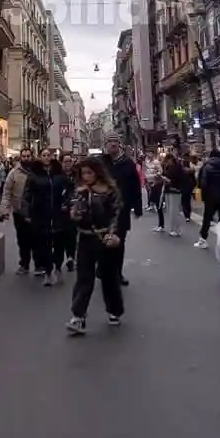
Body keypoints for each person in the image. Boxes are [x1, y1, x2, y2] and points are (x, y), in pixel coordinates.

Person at [67, 156, 124, 334]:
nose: (86, 176)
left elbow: (117, 214)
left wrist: (113, 234)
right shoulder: (81, 192)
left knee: (109, 277)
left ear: (97, 172)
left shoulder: (110, 191)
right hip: (85, 238)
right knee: (84, 278)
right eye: (83, 173)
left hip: (104, 237)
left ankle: (114, 310)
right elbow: (75, 213)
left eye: (89, 173)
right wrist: (74, 213)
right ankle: (78, 316)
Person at [23, 149, 70, 286]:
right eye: (43, 155)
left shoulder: (59, 173)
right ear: (39, 157)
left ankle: (58, 268)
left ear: (52, 157)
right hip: (41, 215)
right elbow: (27, 194)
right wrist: (27, 213)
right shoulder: (34, 175)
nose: (46, 157)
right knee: (44, 245)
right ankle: (48, 272)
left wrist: (66, 204)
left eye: (48, 155)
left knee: (59, 244)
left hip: (58, 214)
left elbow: (68, 191)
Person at [101, 132, 142, 286]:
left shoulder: (128, 163)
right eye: (110, 141)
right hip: (102, 209)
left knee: (119, 242)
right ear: (106, 144)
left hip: (121, 209)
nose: (113, 144)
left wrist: (137, 207)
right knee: (103, 241)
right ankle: (104, 270)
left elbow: (135, 186)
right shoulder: (101, 163)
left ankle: (117, 273)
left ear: (119, 144)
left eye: (115, 141)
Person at [0, 148, 34, 274]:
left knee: (38, 239)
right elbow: (7, 193)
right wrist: (4, 210)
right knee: (23, 240)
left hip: (35, 212)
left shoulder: (37, 171)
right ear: (20, 158)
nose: (26, 158)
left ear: (32, 157)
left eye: (28, 156)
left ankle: (40, 265)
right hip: (19, 212)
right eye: (24, 156)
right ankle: (24, 264)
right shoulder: (13, 173)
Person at [194, 148, 220, 249]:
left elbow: (202, 183)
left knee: (207, 218)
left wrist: (203, 196)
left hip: (210, 196)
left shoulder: (206, 166)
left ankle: (203, 240)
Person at [160, 151, 185, 237]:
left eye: (167, 160)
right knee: (170, 210)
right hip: (168, 190)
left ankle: (175, 229)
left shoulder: (176, 167)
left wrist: (164, 179)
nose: (167, 162)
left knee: (174, 211)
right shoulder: (168, 167)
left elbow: (176, 180)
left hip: (174, 190)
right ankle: (173, 228)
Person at [60, 153, 77, 271]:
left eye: (69, 161)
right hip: (61, 210)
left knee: (73, 234)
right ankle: (65, 257)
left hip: (74, 209)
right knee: (63, 234)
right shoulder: (57, 176)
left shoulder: (77, 176)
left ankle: (71, 257)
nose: (67, 164)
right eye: (65, 161)